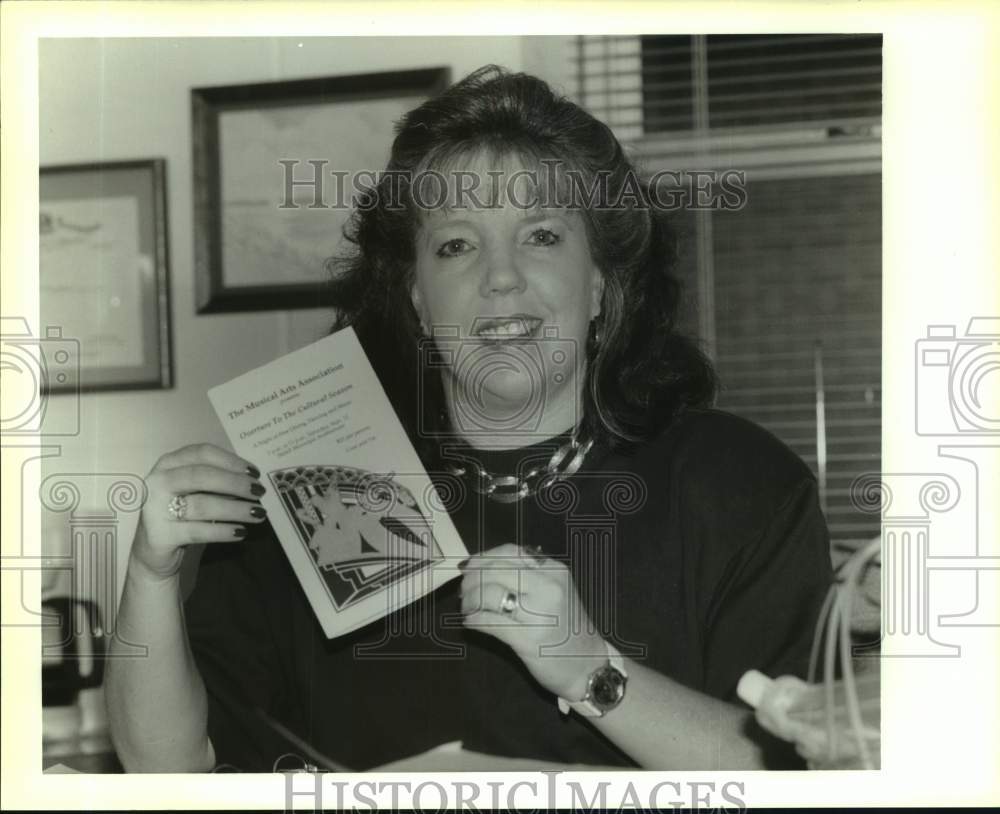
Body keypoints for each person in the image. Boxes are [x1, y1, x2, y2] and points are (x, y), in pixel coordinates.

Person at [105, 65, 833, 772]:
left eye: (542, 235)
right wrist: (150, 572)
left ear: (602, 284)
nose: (502, 275)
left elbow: (790, 773)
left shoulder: (742, 489)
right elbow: (162, 764)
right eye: (456, 244)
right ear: (418, 300)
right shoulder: (321, 484)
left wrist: (590, 670)